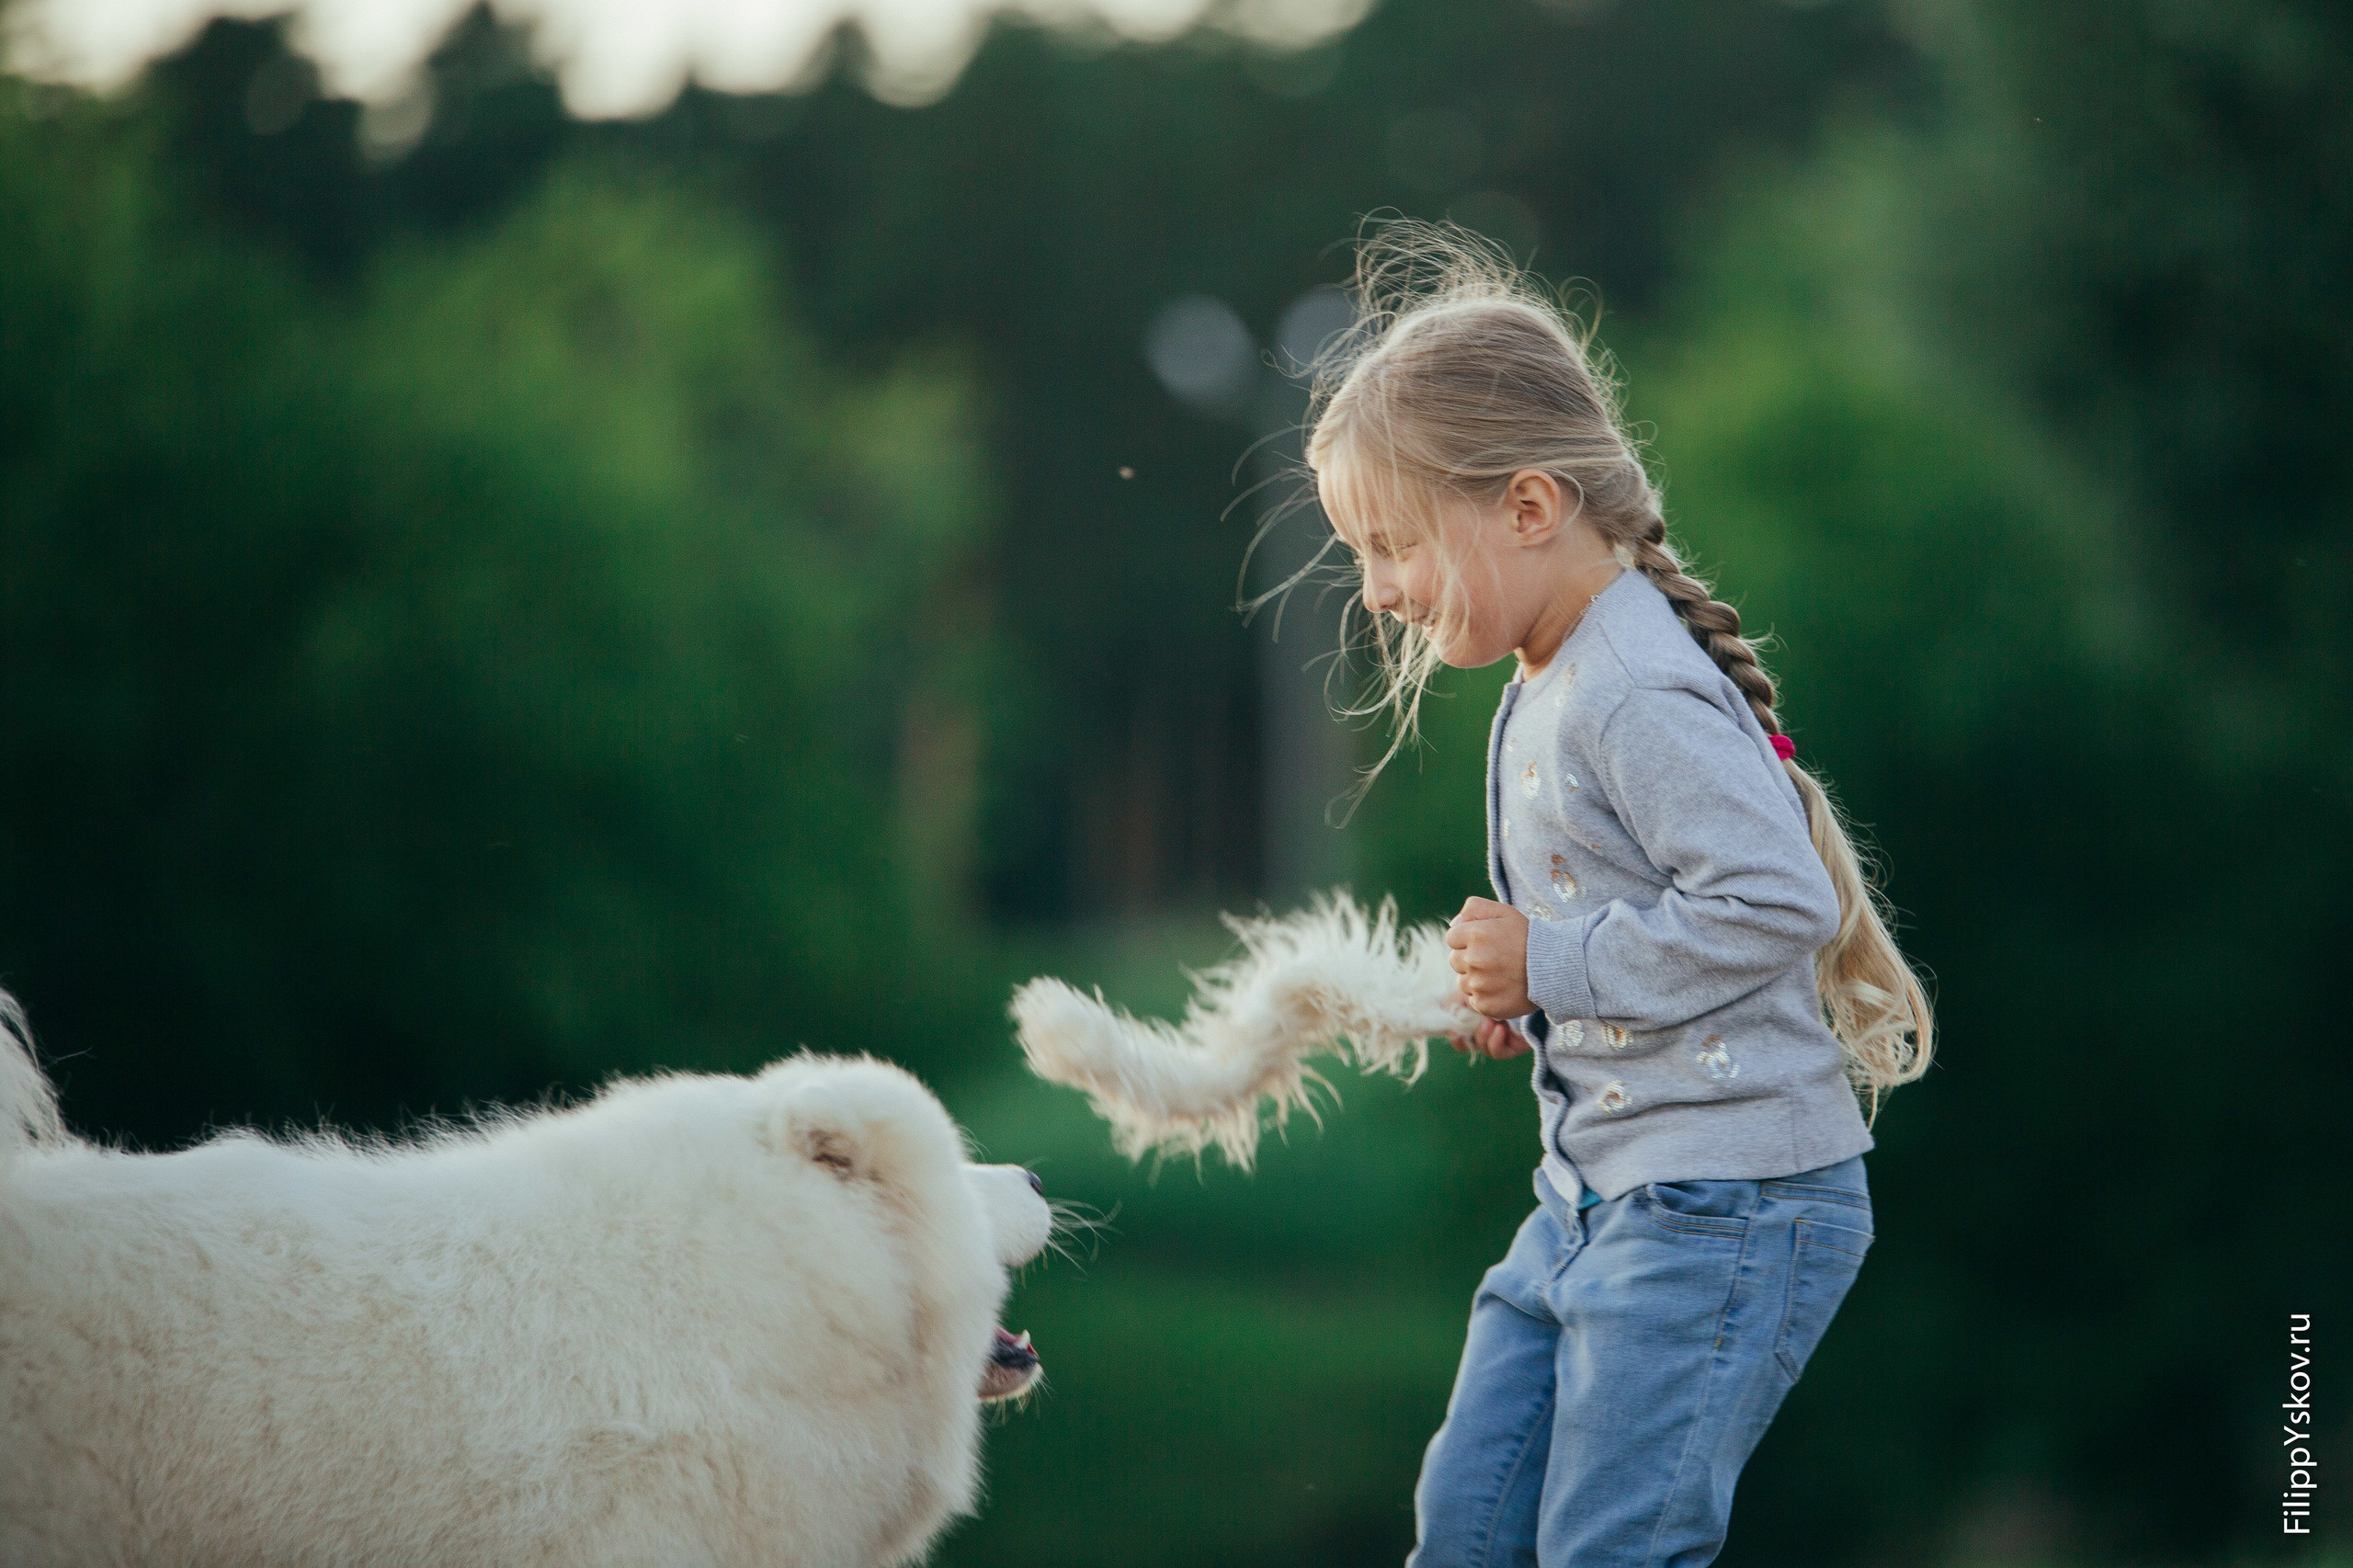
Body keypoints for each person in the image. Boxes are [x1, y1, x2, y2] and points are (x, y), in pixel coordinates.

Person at [1288, 222, 1935, 1566]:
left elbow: (1772, 905)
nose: (1379, 590)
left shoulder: (1631, 683)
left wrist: (1558, 965)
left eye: (1396, 543)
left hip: (1725, 1201)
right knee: (1465, 1525)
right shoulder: (1547, 674)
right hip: (1592, 1196)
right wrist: (1527, 1001)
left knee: (1614, 1548)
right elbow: (1630, 922)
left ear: (1528, 505)